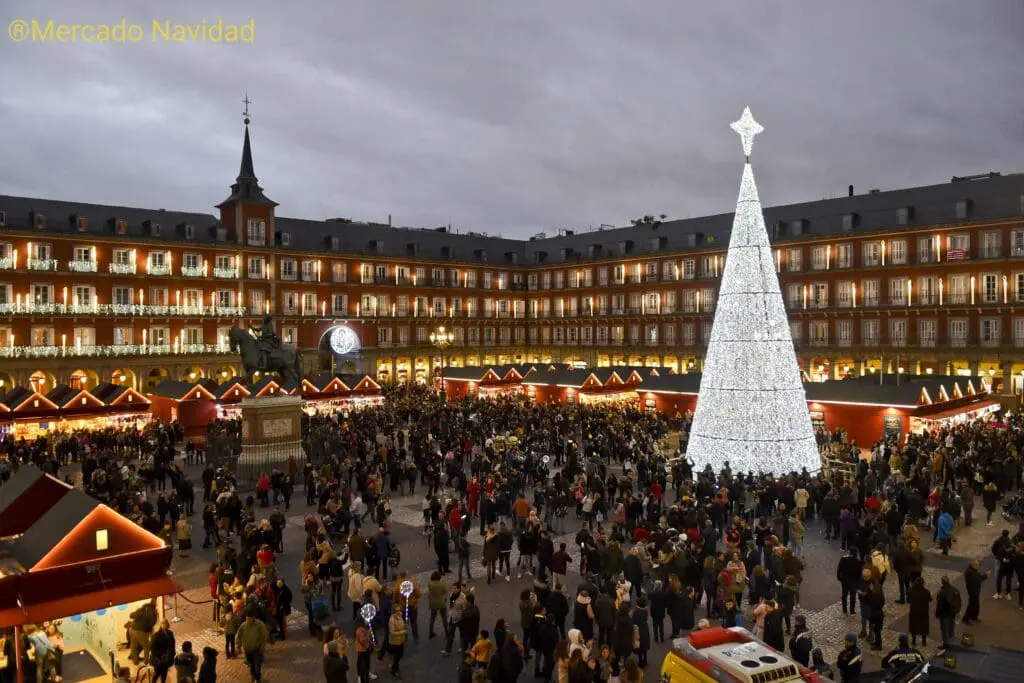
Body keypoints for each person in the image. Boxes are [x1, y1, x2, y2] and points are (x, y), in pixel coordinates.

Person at [236, 610, 269, 683]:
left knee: (257, 665)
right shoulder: (243, 625)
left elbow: (263, 636)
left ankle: (257, 679)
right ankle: (253, 676)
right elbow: (239, 635)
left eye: (249, 618)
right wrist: (238, 646)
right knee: (250, 664)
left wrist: (262, 647)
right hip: (247, 649)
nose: (248, 620)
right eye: (247, 618)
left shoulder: (260, 625)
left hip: (256, 649)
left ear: (253, 618)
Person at [935, 575, 961, 649]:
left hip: (944, 613)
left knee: (944, 628)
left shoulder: (941, 592)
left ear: (942, 582)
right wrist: (958, 610)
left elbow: (939, 605)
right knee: (951, 626)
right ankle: (952, 639)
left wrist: (937, 614)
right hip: (953, 612)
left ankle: (946, 644)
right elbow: (959, 601)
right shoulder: (955, 590)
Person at [962, 559, 991, 624]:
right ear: (973, 565)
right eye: (977, 565)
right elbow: (978, 579)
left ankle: (974, 616)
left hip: (976, 589)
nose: (978, 567)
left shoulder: (973, 570)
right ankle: (965, 618)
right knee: (972, 604)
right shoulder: (970, 572)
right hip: (972, 590)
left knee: (976, 604)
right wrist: (986, 575)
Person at [907, 576, 931, 647]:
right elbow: (929, 599)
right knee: (924, 626)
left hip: (914, 610)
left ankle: (914, 641)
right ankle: (924, 641)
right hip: (923, 611)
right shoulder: (926, 592)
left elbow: (908, 599)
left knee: (914, 625)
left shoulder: (911, 590)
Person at [388, 605, 407, 677]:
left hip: (401, 640)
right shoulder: (392, 620)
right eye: (397, 611)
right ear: (394, 612)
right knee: (397, 655)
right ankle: (394, 668)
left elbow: (401, 624)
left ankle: (395, 666)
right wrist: (402, 631)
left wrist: (404, 625)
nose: (399, 612)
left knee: (401, 654)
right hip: (395, 641)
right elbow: (392, 632)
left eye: (399, 610)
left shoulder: (400, 616)